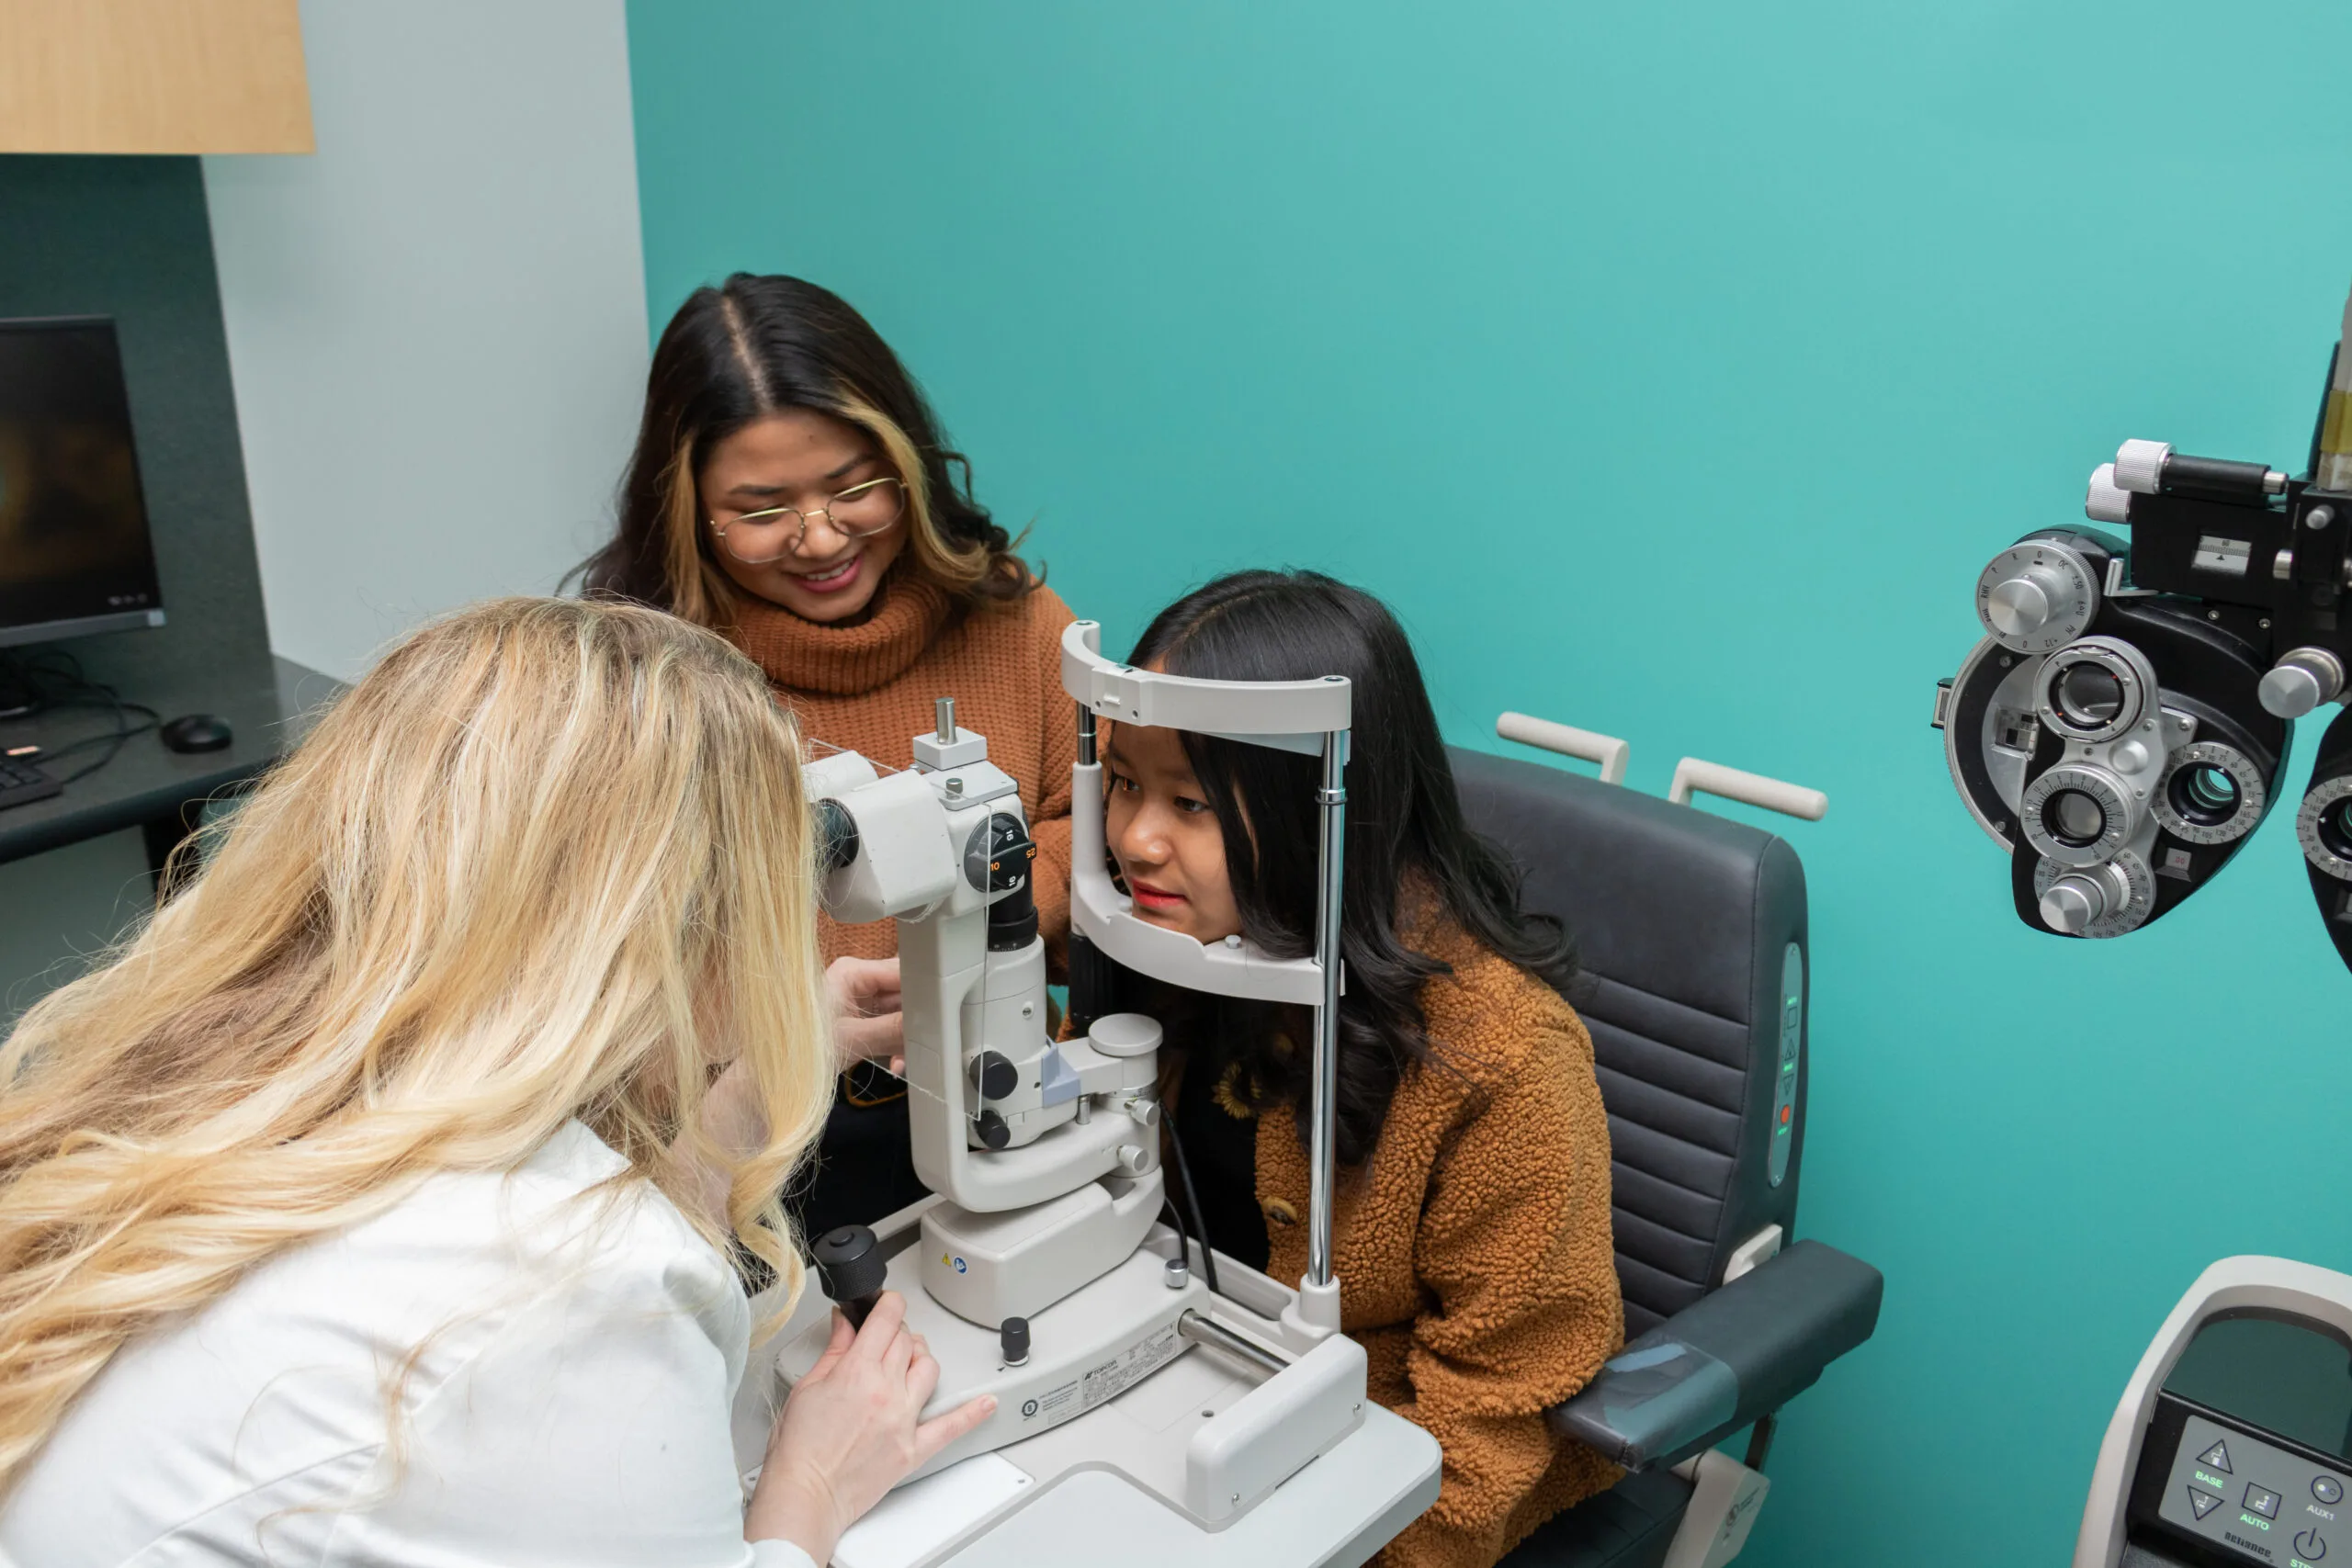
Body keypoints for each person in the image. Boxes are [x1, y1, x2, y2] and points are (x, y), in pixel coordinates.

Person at [0, 599, 991, 1568]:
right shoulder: (570, 1300)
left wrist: (778, 1050)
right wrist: (806, 1494)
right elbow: (560, 1270)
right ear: (673, 926)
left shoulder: (219, 1069)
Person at [1090, 570, 1623, 1568]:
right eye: (1124, 782)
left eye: (1191, 802)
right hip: (1192, 1391)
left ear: (1315, 810)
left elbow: (1498, 1412)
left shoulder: (1502, 1061)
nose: (1133, 840)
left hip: (1379, 1485)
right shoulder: (1183, 941)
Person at [580, 274, 1077, 1234]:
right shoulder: (632, 690)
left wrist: (964, 916)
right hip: (740, 1153)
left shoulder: (1017, 628)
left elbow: (1083, 832)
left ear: (908, 465)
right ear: (682, 509)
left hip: (1001, 1100)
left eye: (854, 488)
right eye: (761, 510)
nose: (819, 539)